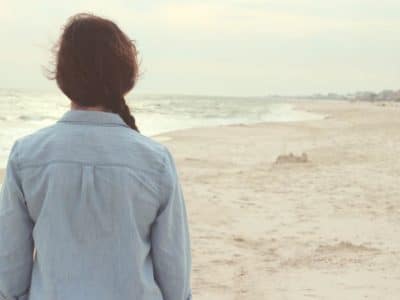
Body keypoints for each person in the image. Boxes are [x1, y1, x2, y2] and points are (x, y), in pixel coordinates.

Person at [0, 13, 192, 300]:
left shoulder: (26, 156)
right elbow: (175, 279)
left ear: (63, 77)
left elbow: (10, 273)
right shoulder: (156, 161)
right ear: (124, 77)